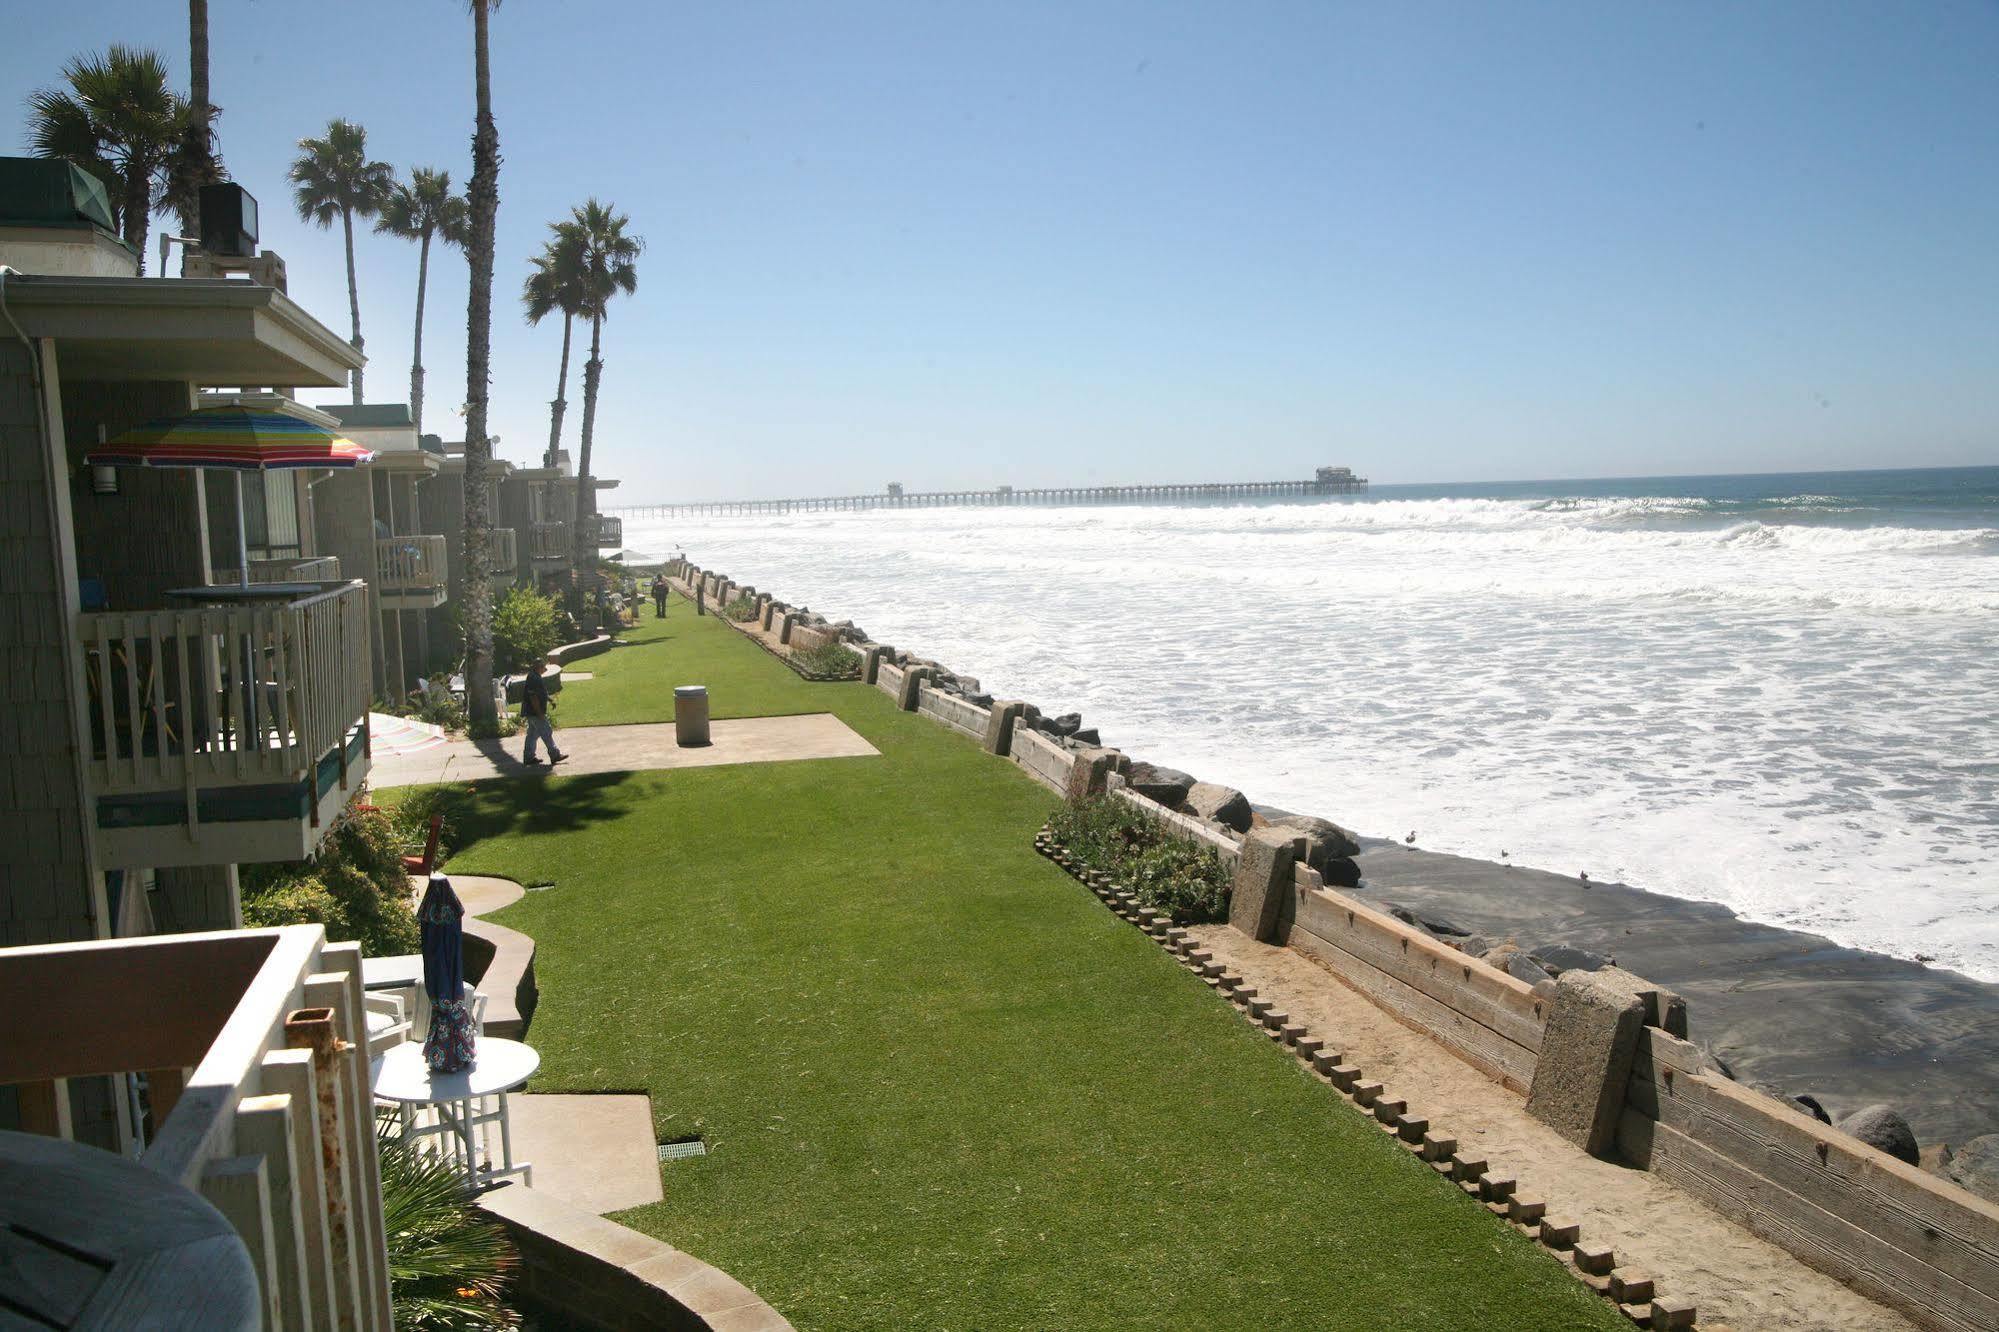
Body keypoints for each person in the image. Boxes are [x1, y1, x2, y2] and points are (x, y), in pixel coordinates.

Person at [521, 660, 565, 767]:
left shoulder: (535, 676)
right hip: (534, 712)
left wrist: (550, 700)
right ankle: (555, 755)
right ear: (538, 667)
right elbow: (533, 697)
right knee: (546, 731)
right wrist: (539, 712)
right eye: (543, 667)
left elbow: (541, 693)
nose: (545, 669)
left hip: (531, 712)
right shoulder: (533, 678)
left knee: (532, 734)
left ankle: (529, 757)